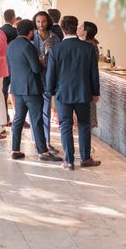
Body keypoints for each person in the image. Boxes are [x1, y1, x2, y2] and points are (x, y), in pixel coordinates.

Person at [46, 16, 101, 171]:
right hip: (84, 92)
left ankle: (69, 161)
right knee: (84, 125)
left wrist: (50, 92)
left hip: (62, 93)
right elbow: (93, 73)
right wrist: (96, 92)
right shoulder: (88, 48)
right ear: (76, 28)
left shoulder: (55, 49)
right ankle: (85, 158)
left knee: (65, 126)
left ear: (63, 29)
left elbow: (51, 74)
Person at [7, 20, 60, 162]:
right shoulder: (29, 46)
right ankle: (43, 152)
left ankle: (15, 149)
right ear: (30, 32)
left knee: (18, 119)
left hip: (17, 88)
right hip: (32, 88)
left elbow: (11, 67)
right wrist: (42, 62)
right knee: (36, 120)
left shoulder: (11, 45)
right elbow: (36, 69)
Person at [32, 11, 62, 156]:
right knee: (36, 112)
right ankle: (38, 142)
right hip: (34, 77)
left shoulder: (55, 38)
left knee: (46, 112)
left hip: (49, 79)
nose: (41, 25)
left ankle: (46, 142)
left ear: (48, 22)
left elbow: (60, 58)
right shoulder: (32, 37)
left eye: (43, 21)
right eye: (38, 22)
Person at [78, 21, 100, 130]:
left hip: (87, 85)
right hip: (85, 84)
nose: (78, 28)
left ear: (85, 31)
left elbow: (92, 67)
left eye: (81, 27)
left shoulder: (90, 45)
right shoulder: (87, 44)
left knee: (87, 117)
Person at [0, 10, 17, 126]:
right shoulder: (15, 31)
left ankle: (4, 117)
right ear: (13, 18)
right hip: (14, 65)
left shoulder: (0, 31)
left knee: (3, 92)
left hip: (3, 64)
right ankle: (18, 116)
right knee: (16, 91)